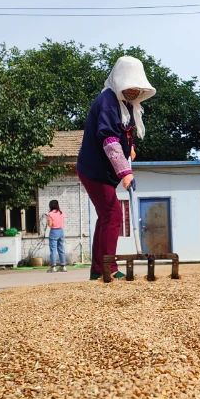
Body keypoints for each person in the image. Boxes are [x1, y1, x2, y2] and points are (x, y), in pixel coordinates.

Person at [76, 56, 156, 281]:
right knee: (112, 214)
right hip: (94, 170)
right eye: (129, 86)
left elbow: (125, 133)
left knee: (105, 216)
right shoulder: (108, 100)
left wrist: (130, 148)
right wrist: (125, 172)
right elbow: (110, 140)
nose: (133, 91)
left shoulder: (127, 105)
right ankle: (108, 268)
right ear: (119, 80)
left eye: (137, 87)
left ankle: (97, 269)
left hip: (104, 171)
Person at [45, 200, 67, 272]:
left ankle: (53, 267)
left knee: (53, 250)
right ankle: (63, 266)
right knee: (61, 249)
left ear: (50, 206)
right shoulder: (61, 213)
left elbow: (50, 225)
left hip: (54, 231)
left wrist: (47, 221)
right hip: (61, 231)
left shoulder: (50, 214)